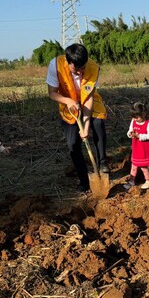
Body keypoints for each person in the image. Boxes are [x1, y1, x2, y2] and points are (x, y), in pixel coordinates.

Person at [46, 43, 109, 193]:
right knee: (73, 144)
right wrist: (68, 101)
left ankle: (102, 164)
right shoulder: (55, 66)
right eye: (76, 69)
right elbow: (52, 93)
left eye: (83, 68)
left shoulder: (93, 68)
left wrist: (86, 126)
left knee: (98, 123)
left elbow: (88, 99)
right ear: (68, 62)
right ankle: (84, 180)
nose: (80, 72)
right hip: (68, 104)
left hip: (89, 100)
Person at [124, 102, 149, 190]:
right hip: (136, 147)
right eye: (133, 117)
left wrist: (140, 136)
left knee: (143, 166)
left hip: (144, 148)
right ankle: (131, 181)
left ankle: (148, 180)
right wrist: (130, 134)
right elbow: (129, 130)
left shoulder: (148, 123)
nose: (135, 119)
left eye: (137, 117)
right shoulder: (133, 121)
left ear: (143, 114)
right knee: (134, 165)